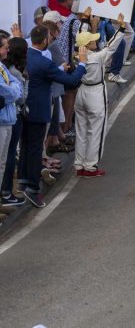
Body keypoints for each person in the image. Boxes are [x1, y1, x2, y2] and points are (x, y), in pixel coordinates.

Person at [20, 26, 87, 208]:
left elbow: (45, 74)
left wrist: (58, 68)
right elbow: (72, 81)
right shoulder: (42, 62)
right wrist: (82, 64)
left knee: (26, 146)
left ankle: (24, 181)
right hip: (38, 110)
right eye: (48, 37)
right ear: (44, 41)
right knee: (34, 149)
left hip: (26, 110)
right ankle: (33, 189)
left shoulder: (29, 55)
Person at [73, 13, 125, 178]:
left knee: (81, 130)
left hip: (81, 93)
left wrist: (84, 20)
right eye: (93, 40)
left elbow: (80, 35)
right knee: (96, 130)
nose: (96, 41)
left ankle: (79, 164)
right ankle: (90, 166)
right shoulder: (98, 57)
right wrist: (121, 28)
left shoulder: (77, 57)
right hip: (95, 93)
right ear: (88, 44)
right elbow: (112, 45)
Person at [0, 33, 23, 222]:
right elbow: (7, 90)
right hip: (1, 121)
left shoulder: (2, 67)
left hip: (8, 120)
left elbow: (16, 85)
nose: (7, 49)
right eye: (4, 47)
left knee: (1, 164)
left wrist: (12, 93)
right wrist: (13, 93)